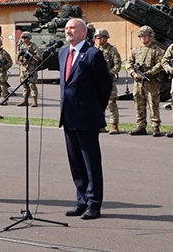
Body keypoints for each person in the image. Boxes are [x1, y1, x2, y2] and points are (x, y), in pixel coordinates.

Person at [59, 18, 111, 220]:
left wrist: (95, 111)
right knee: (76, 163)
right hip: (69, 117)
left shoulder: (93, 54)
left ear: (83, 32)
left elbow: (104, 87)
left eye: (72, 28)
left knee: (91, 164)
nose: (68, 31)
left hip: (87, 118)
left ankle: (94, 203)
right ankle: (81, 201)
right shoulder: (63, 53)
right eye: (66, 29)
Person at [127, 25, 165, 136]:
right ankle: (141, 125)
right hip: (138, 81)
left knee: (153, 104)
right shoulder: (136, 50)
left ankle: (155, 126)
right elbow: (129, 63)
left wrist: (150, 72)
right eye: (141, 36)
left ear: (150, 36)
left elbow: (161, 64)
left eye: (145, 36)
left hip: (151, 81)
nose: (143, 38)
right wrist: (134, 73)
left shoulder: (157, 50)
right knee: (139, 103)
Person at [95, 29, 122, 134]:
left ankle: (114, 125)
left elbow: (118, 65)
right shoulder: (96, 50)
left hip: (109, 81)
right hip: (98, 82)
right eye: (97, 38)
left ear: (106, 38)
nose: (99, 40)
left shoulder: (112, 50)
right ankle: (101, 125)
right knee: (99, 104)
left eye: (101, 37)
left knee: (111, 103)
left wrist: (109, 73)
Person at [16, 31, 41, 107]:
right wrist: (20, 54)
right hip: (23, 68)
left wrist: (30, 56)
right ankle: (25, 100)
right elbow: (17, 57)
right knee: (24, 85)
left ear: (29, 38)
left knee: (32, 84)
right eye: (22, 38)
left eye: (25, 37)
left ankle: (34, 101)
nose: (23, 39)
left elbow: (39, 56)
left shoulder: (33, 46)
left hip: (31, 68)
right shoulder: (21, 47)